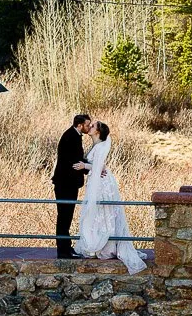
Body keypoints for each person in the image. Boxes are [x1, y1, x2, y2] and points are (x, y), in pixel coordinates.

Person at [73, 121, 147, 273]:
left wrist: (84, 166)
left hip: (102, 183)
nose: (90, 127)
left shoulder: (100, 146)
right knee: (98, 213)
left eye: (93, 126)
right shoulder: (97, 145)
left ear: (98, 132)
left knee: (103, 212)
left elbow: (100, 166)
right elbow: (102, 165)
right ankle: (98, 244)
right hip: (97, 180)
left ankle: (105, 247)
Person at [52, 113, 91, 259]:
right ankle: (63, 251)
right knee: (64, 217)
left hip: (66, 183)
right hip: (65, 184)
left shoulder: (73, 135)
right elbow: (74, 162)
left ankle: (66, 248)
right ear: (80, 125)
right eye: (87, 125)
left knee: (66, 217)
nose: (89, 127)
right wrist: (91, 168)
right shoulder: (71, 137)